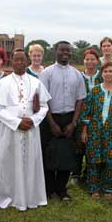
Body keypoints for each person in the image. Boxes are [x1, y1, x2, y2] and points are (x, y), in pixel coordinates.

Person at [0, 49, 51, 211]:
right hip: (9, 130)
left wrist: (33, 121)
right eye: (16, 60)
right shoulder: (2, 83)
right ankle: (8, 194)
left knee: (29, 161)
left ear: (27, 62)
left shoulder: (36, 83)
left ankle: (29, 196)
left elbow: (44, 106)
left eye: (22, 60)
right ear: (11, 62)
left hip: (31, 131)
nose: (19, 63)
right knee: (7, 161)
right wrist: (16, 122)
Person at [39, 41, 87, 201]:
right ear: (55, 51)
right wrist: (51, 123)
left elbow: (80, 100)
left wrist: (74, 123)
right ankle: (48, 188)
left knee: (67, 155)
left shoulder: (77, 74)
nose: (65, 53)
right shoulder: (46, 73)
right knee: (48, 153)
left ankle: (61, 189)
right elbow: (43, 100)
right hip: (50, 117)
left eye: (68, 50)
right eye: (62, 50)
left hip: (70, 118)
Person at [81, 62, 112, 200]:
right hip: (95, 131)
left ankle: (108, 188)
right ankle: (94, 189)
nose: (108, 74)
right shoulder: (95, 91)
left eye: (111, 71)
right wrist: (84, 131)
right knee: (93, 160)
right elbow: (87, 112)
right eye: (105, 71)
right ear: (101, 73)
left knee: (111, 161)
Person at [72, 48, 101, 183]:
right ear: (84, 61)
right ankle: (76, 174)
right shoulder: (78, 76)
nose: (90, 62)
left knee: (93, 145)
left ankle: (89, 173)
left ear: (97, 61)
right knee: (78, 145)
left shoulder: (102, 76)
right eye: (87, 59)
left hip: (98, 117)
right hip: (79, 114)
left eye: (92, 59)